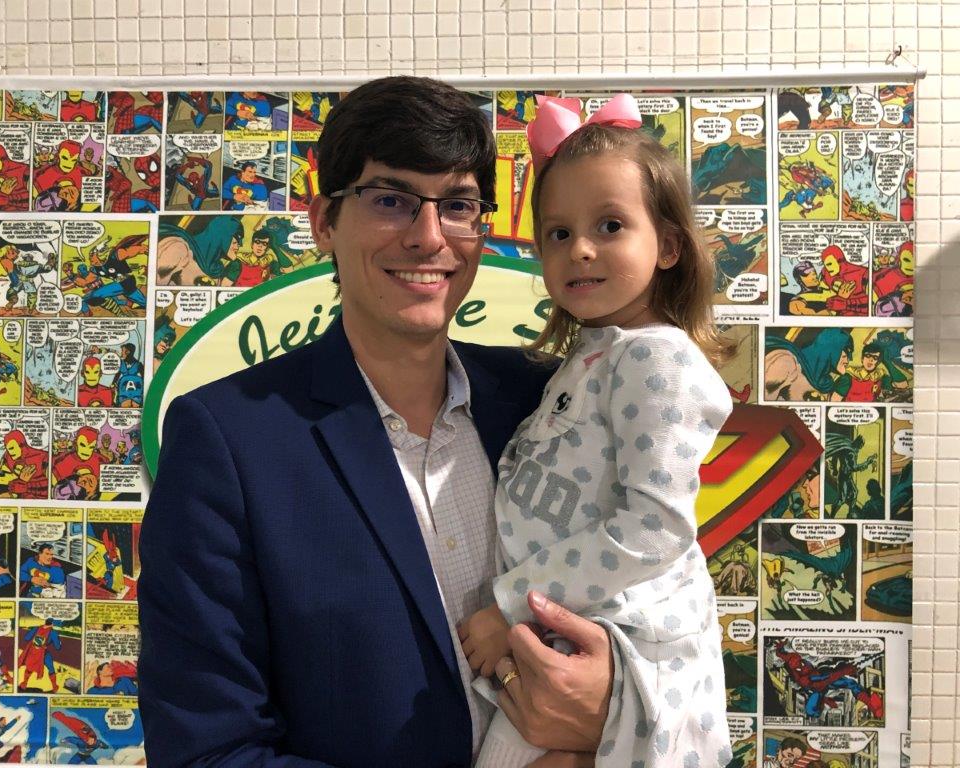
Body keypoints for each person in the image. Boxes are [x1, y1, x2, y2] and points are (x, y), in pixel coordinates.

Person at [139, 76, 616, 768]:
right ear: (324, 222)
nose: (429, 238)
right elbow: (210, 754)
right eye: (390, 200)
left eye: (458, 206)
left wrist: (617, 701)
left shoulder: (546, 400)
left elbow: (648, 602)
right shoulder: (230, 442)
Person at [457, 95, 734, 768]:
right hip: (575, 629)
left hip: (619, 640)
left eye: (610, 225)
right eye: (558, 233)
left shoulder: (656, 359)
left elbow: (654, 527)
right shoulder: (594, 356)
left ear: (668, 245)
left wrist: (508, 604)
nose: (580, 248)